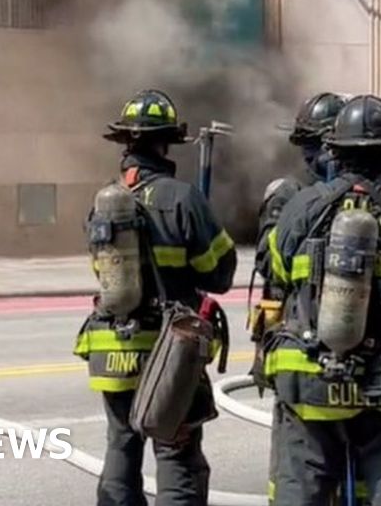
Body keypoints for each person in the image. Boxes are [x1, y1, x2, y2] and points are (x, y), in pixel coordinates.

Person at [260, 94, 381, 505]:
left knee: (301, 491)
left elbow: (276, 271)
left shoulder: (301, 207)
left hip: (310, 379)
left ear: (335, 150)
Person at [74, 89, 237, 506]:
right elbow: (219, 273)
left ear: (126, 143)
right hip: (168, 352)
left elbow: (101, 270)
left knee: (121, 445)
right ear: (166, 142)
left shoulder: (104, 202)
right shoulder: (182, 198)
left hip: (111, 346)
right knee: (176, 453)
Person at [250, 92, 348, 504]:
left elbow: (268, 265)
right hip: (319, 342)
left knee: (300, 468)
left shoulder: (302, 198)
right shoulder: (289, 196)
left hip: (306, 354)